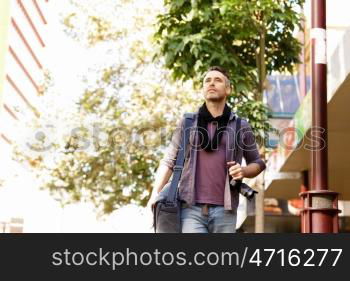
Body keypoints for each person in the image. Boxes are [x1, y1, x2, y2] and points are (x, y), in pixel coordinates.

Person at [147, 66, 266, 233]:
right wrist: (155, 194)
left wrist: (244, 171)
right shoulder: (188, 123)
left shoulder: (240, 125)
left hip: (226, 210)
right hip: (190, 208)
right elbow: (169, 162)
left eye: (218, 80)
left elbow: (258, 163)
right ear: (203, 90)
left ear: (228, 89)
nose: (212, 83)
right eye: (207, 81)